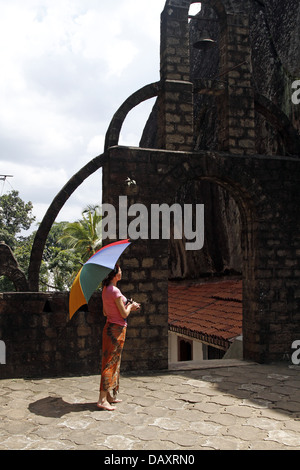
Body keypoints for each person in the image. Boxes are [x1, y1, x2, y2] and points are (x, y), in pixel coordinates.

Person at [97, 264, 140, 411]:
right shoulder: (114, 291)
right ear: (115, 274)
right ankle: (102, 399)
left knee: (110, 361)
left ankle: (108, 395)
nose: (121, 272)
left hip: (109, 327)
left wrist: (126, 303)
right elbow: (124, 314)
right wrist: (131, 307)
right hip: (117, 329)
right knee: (110, 363)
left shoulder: (105, 290)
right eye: (120, 270)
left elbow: (104, 312)